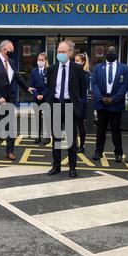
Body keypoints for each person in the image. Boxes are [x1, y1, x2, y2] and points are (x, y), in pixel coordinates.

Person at [0, 40, 35, 160]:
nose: (12, 52)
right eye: (10, 50)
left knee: (9, 125)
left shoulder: (11, 62)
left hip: (9, 98)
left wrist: (26, 88)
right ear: (3, 49)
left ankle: (10, 151)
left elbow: (17, 76)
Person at [46, 40, 86, 178]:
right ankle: (56, 166)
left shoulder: (78, 69)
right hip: (56, 105)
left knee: (71, 139)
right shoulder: (51, 69)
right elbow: (50, 88)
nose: (60, 54)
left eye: (63, 52)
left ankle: (72, 167)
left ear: (70, 53)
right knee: (56, 138)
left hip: (70, 106)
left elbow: (82, 90)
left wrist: (78, 105)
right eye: (58, 52)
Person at [91, 46, 128, 162]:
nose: (111, 53)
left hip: (116, 103)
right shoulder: (98, 68)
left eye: (113, 52)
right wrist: (100, 97)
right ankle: (98, 151)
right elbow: (94, 83)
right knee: (100, 129)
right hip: (101, 102)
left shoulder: (124, 68)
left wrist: (115, 98)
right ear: (105, 54)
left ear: (116, 53)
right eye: (109, 52)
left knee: (116, 129)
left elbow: (125, 85)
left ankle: (118, 153)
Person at [30, 52, 50, 145]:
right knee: (37, 118)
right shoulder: (34, 71)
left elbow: (49, 86)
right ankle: (38, 136)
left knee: (47, 118)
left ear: (45, 61)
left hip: (46, 98)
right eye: (39, 60)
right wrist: (37, 94)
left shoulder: (49, 71)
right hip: (36, 98)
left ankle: (47, 137)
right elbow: (32, 85)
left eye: (42, 60)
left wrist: (43, 94)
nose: (40, 61)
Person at [74, 53, 91, 153]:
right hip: (74, 103)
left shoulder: (85, 74)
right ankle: (74, 144)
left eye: (77, 61)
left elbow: (81, 90)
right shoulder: (74, 72)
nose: (75, 62)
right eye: (75, 60)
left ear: (83, 62)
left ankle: (82, 145)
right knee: (73, 125)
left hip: (81, 103)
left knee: (80, 125)